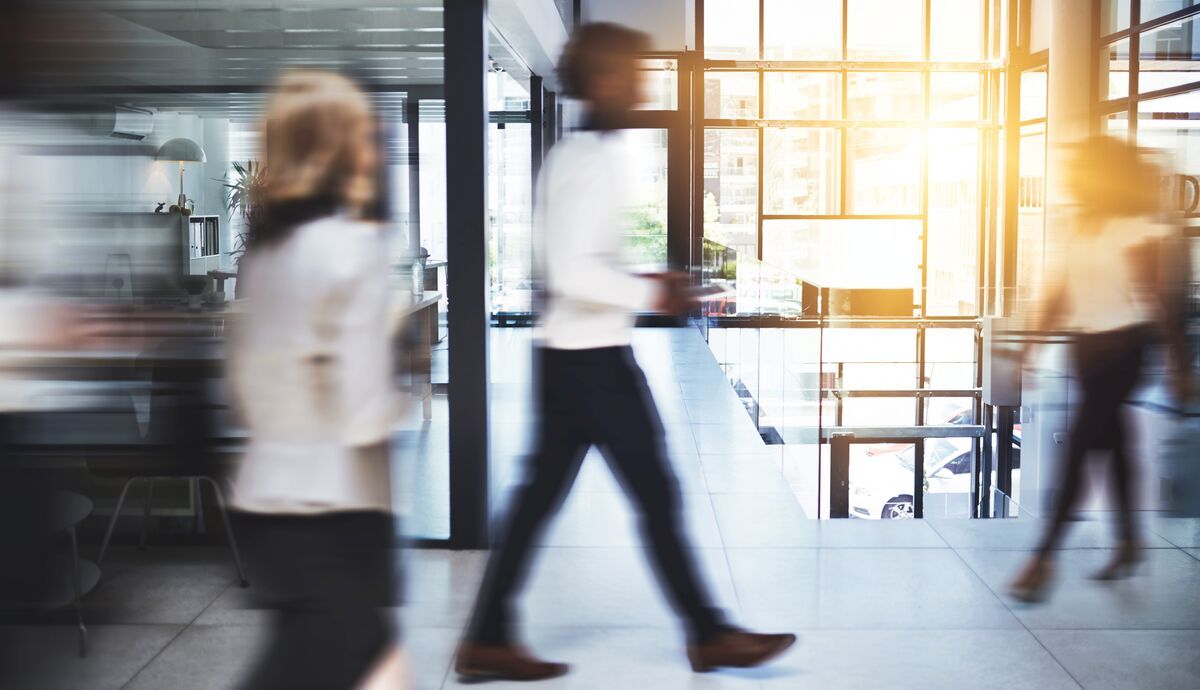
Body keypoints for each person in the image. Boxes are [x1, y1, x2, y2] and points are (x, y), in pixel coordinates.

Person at [455, 23, 796, 682]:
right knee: (653, 491)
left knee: (541, 499)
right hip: (590, 361)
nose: (645, 88)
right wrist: (653, 288)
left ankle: (488, 638)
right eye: (638, 75)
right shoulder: (589, 161)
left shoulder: (586, 155)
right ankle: (708, 634)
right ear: (608, 81)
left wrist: (648, 280)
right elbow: (570, 271)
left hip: (574, 354)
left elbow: (584, 263)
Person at [227, 70, 407, 690]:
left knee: (370, 664)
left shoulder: (265, 253)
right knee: (342, 661)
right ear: (332, 147)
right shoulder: (353, 248)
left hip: (264, 501)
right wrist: (400, 394)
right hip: (331, 508)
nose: (376, 146)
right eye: (362, 132)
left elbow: (248, 391)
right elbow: (362, 412)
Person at [1008, 136, 1192, 603]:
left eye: (1081, 168)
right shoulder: (1082, 222)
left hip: (1125, 348)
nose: (1071, 176)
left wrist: (1178, 366)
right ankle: (1129, 541)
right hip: (1085, 347)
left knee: (1081, 444)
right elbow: (1060, 290)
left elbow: (1162, 303)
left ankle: (1043, 557)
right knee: (1110, 442)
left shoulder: (1141, 227)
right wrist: (1031, 344)